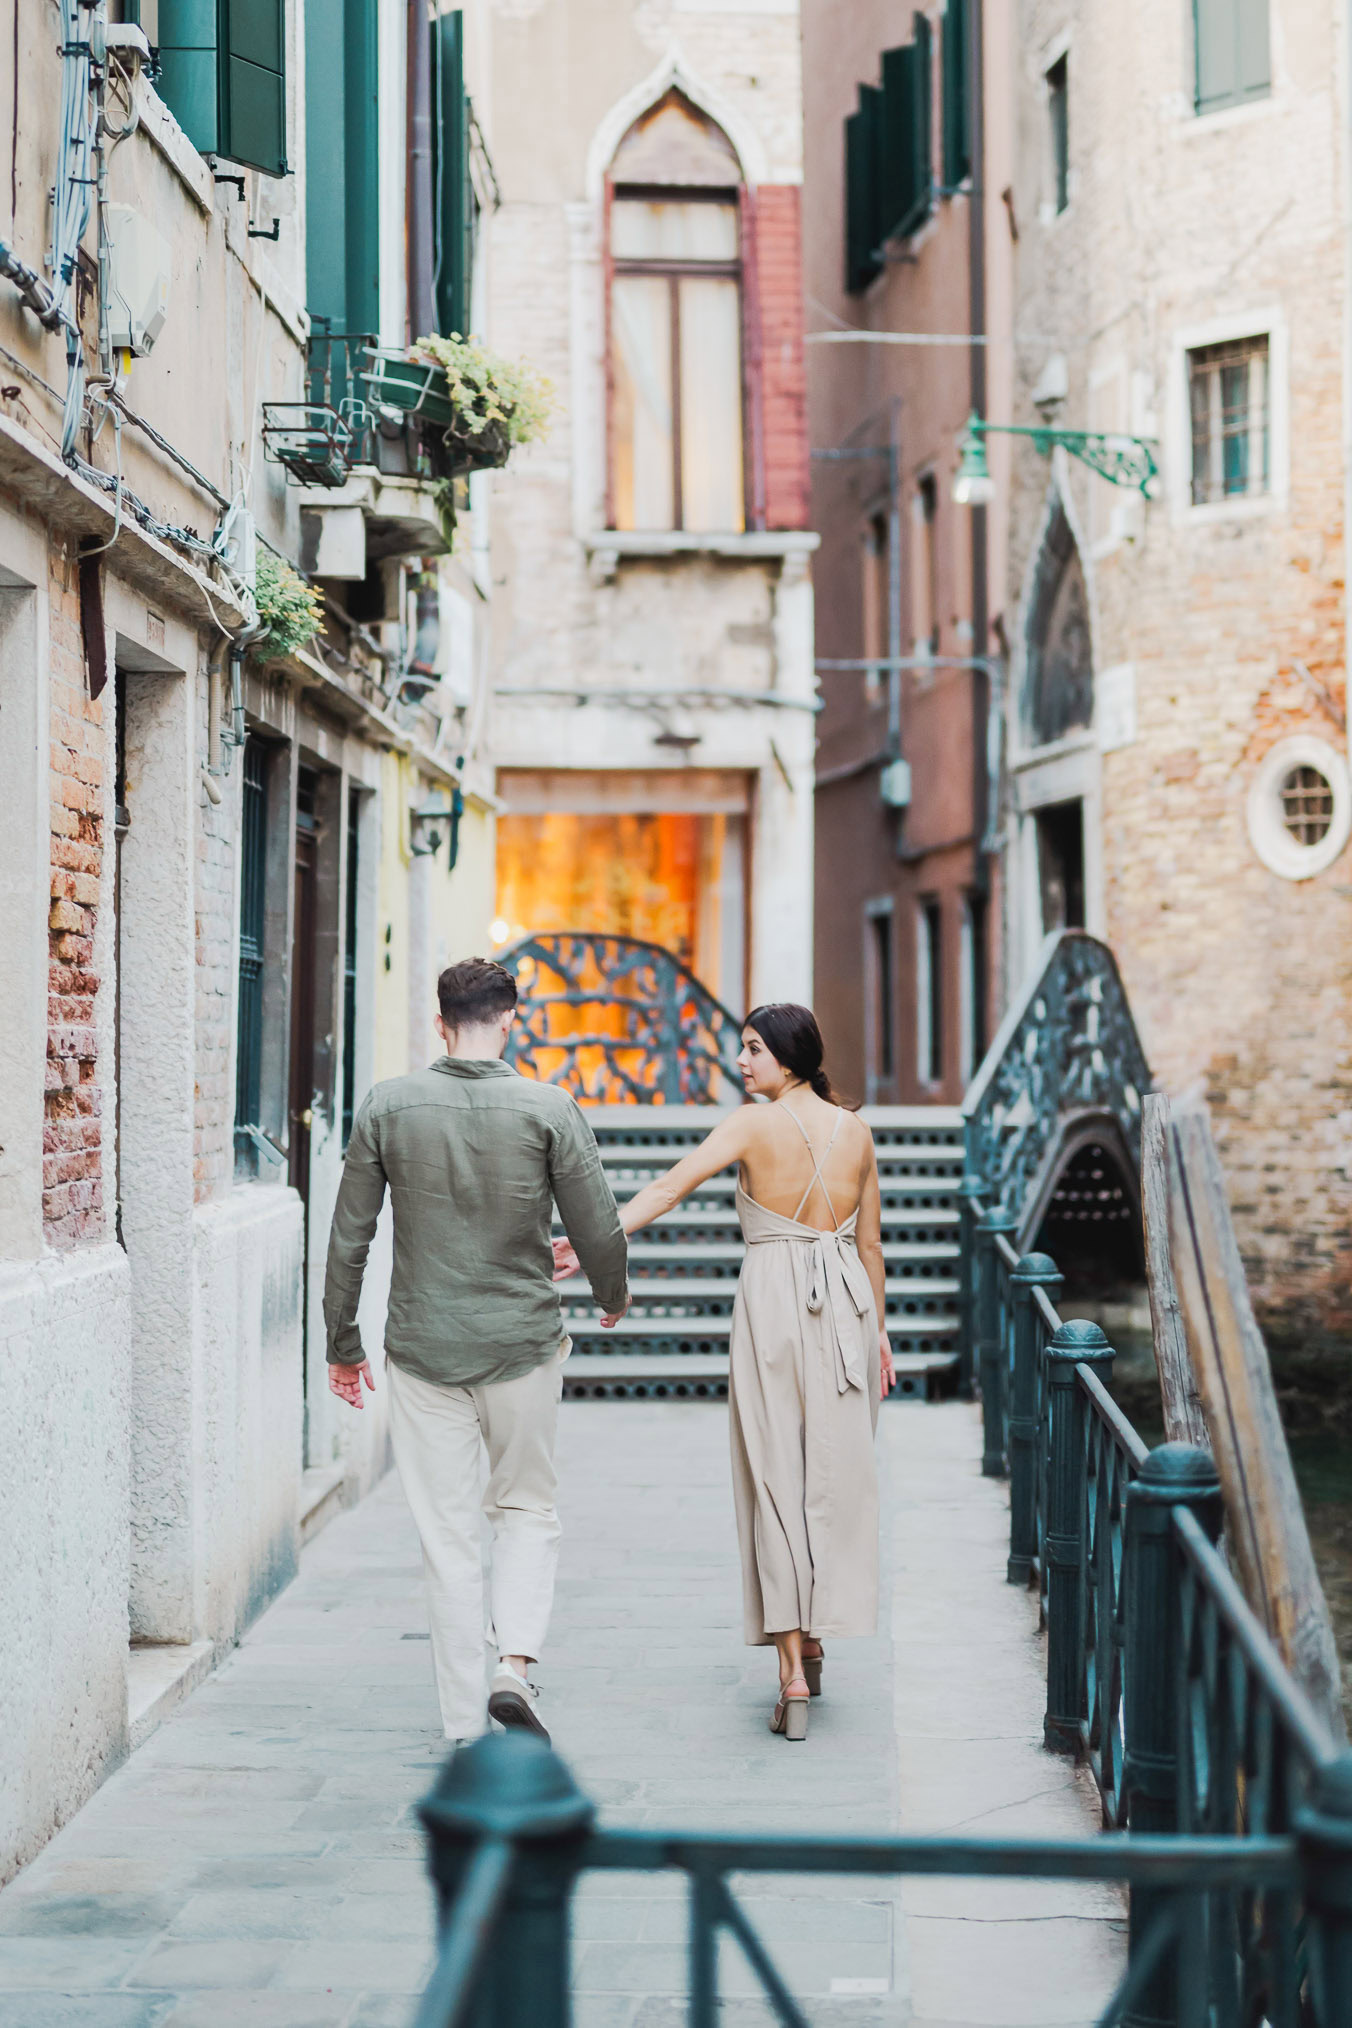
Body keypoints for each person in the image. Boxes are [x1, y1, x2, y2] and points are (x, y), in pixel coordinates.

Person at [554, 1002, 893, 1742]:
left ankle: (791, 1676)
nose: (741, 1062)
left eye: (752, 1049)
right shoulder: (857, 1131)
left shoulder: (750, 1124)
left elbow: (670, 1186)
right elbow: (870, 1247)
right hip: (847, 1309)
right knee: (830, 1479)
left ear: (789, 1056)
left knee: (773, 1478)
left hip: (773, 1297)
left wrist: (591, 1242)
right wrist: (882, 1336)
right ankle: (818, 1633)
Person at [323, 957, 629, 1748]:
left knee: (448, 1535)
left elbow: (350, 1237)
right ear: (510, 1017)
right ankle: (513, 1669)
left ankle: (463, 1725)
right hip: (523, 1344)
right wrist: (610, 1293)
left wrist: (342, 1341)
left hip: (423, 1349)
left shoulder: (388, 1106)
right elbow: (597, 1224)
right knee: (526, 1508)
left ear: (440, 1021)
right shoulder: (548, 1107)